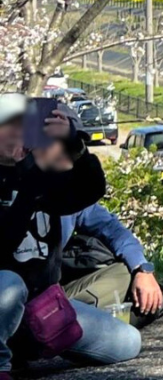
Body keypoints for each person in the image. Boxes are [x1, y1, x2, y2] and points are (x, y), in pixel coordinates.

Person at [1, 95, 140, 377]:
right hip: (4, 299)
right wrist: (23, 178)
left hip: (43, 306)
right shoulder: (28, 177)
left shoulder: (39, 175)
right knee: (10, 284)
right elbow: (5, 241)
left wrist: (74, 143)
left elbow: (91, 190)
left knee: (128, 342)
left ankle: (25, 346)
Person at [59, 204, 163, 326]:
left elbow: (112, 229)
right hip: (42, 293)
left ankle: (72, 317)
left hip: (56, 291)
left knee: (124, 272)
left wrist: (141, 269)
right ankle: (67, 321)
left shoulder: (69, 198)